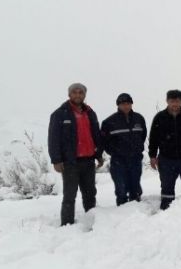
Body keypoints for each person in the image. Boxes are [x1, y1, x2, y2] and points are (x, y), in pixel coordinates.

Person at [48, 83, 103, 226]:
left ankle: (92, 220)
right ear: (69, 94)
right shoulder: (60, 114)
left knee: (90, 193)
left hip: (88, 160)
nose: (78, 95)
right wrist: (56, 160)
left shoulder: (90, 112)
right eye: (74, 92)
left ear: (84, 95)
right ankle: (67, 224)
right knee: (70, 195)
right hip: (70, 162)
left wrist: (99, 154)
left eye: (81, 92)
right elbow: (53, 139)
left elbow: (96, 135)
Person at [100, 93, 147, 206]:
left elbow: (143, 135)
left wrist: (137, 148)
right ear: (118, 105)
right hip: (118, 160)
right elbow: (104, 141)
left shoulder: (139, 118)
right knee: (121, 187)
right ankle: (121, 209)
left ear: (131, 104)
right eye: (123, 104)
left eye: (128, 103)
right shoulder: (109, 122)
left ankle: (136, 207)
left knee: (135, 186)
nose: (126, 106)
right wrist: (115, 151)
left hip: (135, 159)